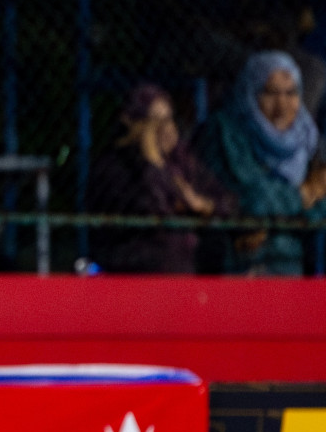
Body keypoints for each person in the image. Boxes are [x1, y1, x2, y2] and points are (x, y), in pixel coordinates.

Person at [196, 51, 326, 276]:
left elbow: (320, 207)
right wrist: (301, 196)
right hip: (238, 264)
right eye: (270, 93)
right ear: (250, 92)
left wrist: (274, 217)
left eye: (291, 93)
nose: (282, 106)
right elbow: (251, 199)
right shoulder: (224, 131)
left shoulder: (307, 138)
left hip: (293, 264)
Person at [88, 84, 232, 274]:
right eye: (154, 123)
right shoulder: (114, 168)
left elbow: (228, 203)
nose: (165, 130)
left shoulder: (183, 162)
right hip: (135, 274)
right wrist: (151, 161)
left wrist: (203, 205)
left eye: (168, 120)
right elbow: (150, 209)